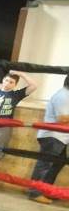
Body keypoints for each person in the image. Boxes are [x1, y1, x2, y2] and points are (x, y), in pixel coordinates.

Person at [27, 75, 69, 204]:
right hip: (53, 136)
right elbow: (62, 119)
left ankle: (45, 190)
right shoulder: (64, 96)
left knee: (57, 163)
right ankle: (34, 192)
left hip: (59, 137)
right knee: (45, 164)